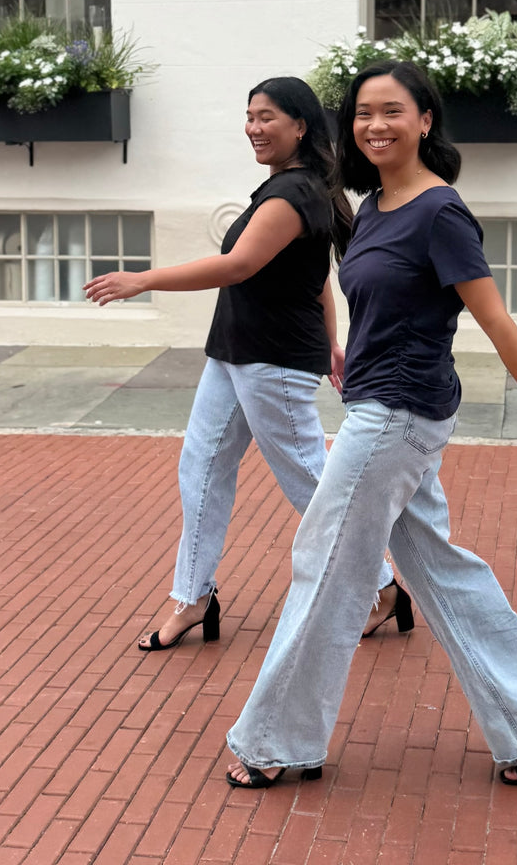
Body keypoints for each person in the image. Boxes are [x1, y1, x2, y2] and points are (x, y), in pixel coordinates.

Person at [225, 60, 517, 790]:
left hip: (395, 416)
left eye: (392, 111)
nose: (375, 126)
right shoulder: (376, 208)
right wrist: (344, 351)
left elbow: (495, 321)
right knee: (440, 567)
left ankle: (277, 741)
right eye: (362, 114)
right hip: (388, 404)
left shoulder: (438, 211)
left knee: (326, 564)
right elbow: (374, 300)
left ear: (426, 120)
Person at [83, 76, 401, 651]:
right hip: (235, 352)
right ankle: (192, 595)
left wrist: (144, 280)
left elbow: (238, 266)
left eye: (267, 117)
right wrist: (332, 343)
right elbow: (317, 279)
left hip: (273, 361)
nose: (253, 127)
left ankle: (382, 587)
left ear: (300, 126)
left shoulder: (294, 194)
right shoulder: (288, 188)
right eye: (249, 116)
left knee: (310, 482)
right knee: (200, 469)